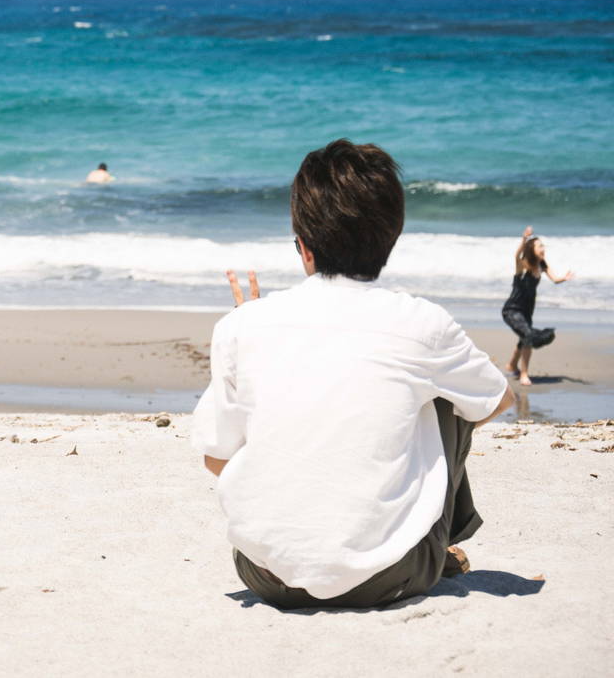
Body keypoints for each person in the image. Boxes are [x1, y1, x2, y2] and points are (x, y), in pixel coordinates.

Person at [192, 139, 515, 610]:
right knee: (449, 396)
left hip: (266, 574)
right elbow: (499, 399)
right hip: (393, 575)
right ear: (390, 240)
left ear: (303, 247)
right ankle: (438, 538)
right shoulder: (422, 323)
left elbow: (216, 461)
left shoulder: (243, 325)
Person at [502, 225, 574, 385]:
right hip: (512, 310)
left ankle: (512, 365)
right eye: (540, 246)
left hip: (527, 310)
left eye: (543, 246)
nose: (543, 249)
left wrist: (564, 278)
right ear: (531, 249)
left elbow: (555, 279)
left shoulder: (542, 265)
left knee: (524, 338)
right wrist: (524, 239)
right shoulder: (523, 265)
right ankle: (524, 374)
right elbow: (516, 255)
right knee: (528, 335)